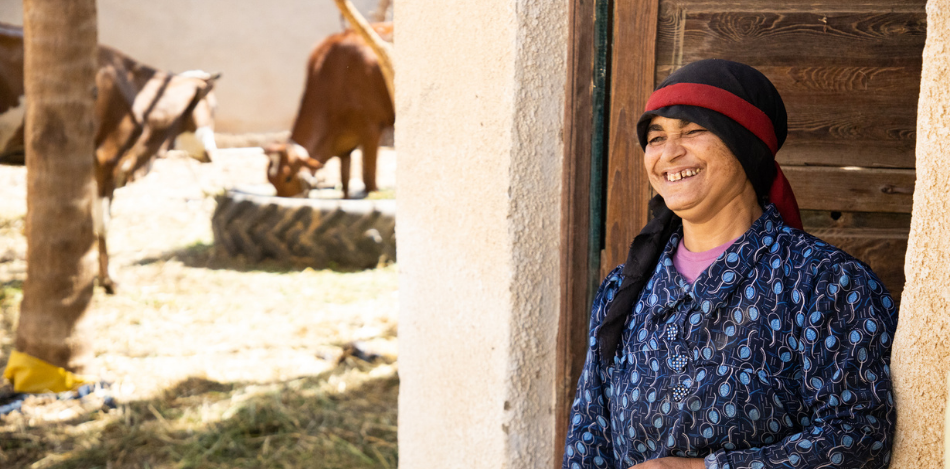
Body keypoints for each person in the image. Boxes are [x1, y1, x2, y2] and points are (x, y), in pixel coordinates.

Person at [562, 59, 897, 469]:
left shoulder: (827, 283)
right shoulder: (623, 289)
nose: (669, 153)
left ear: (744, 143)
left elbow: (859, 436)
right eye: (656, 136)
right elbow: (588, 439)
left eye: (693, 130)